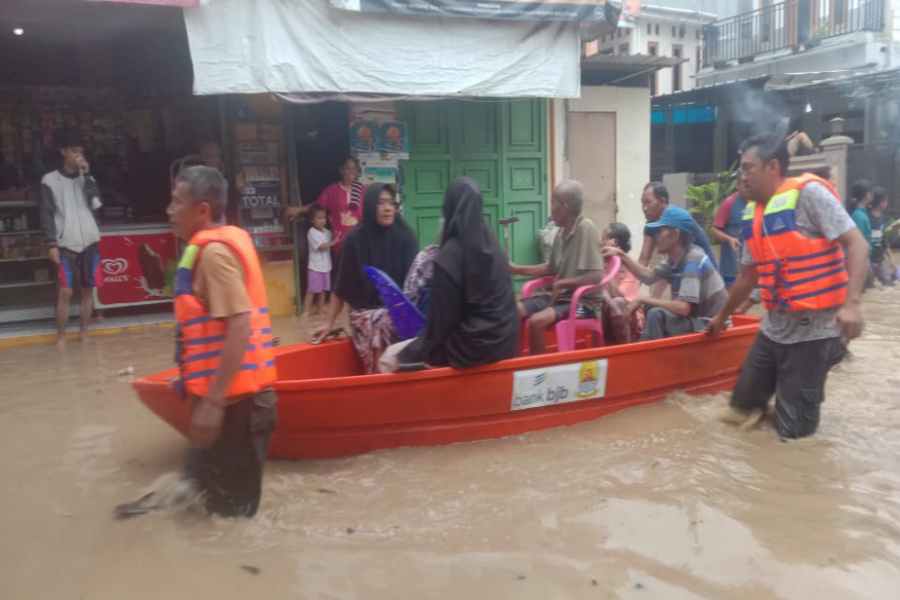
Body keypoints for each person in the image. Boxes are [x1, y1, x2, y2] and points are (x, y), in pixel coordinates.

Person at [115, 166, 278, 519]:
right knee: (195, 495)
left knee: (232, 519)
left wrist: (213, 404)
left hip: (239, 407)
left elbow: (240, 325)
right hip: (220, 401)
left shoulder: (215, 255)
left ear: (202, 210)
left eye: (176, 201)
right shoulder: (197, 252)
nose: (169, 210)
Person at [707, 134, 868, 440]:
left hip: (812, 336)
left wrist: (853, 304)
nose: (742, 176)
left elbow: (857, 243)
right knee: (737, 414)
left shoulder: (809, 196)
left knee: (793, 439)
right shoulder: (752, 216)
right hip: (773, 331)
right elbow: (746, 278)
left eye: (747, 168)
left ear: (773, 167)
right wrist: (721, 316)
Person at [378, 178, 519, 372]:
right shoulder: (494, 246)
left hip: (471, 348)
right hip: (506, 341)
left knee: (389, 358)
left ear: (449, 209)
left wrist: (412, 352)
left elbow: (441, 324)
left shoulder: (450, 255)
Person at [315, 184, 419, 373]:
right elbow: (341, 287)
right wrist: (329, 323)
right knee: (383, 323)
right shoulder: (355, 240)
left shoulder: (406, 237)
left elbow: (416, 284)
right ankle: (378, 381)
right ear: (370, 206)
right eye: (380, 203)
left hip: (401, 313)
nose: (388, 208)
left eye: (390, 202)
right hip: (365, 314)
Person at [510, 180, 606, 355]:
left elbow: (596, 276)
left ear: (565, 206)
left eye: (553, 202)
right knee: (513, 311)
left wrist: (563, 284)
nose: (550, 208)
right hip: (558, 297)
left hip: (583, 302)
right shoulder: (560, 233)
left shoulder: (586, 228)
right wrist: (516, 269)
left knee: (536, 322)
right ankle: (516, 364)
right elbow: (551, 268)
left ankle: (541, 375)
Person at [603, 210, 727, 341]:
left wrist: (642, 299)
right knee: (652, 308)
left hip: (711, 324)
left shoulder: (693, 260)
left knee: (656, 314)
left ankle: (647, 357)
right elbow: (648, 276)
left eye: (660, 231)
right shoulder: (673, 260)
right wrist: (620, 255)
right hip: (695, 320)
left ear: (675, 235)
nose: (656, 237)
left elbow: (684, 308)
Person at [40, 130, 103, 350]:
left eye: (81, 152)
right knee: (65, 291)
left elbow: (96, 204)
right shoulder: (49, 180)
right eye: (75, 151)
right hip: (65, 243)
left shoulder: (88, 179)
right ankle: (61, 336)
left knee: (88, 290)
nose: (79, 156)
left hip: (90, 242)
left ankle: (84, 333)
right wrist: (51, 243)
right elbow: (46, 213)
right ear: (63, 152)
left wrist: (86, 176)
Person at [285, 156, 364, 259]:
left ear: (358, 172)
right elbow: (317, 205)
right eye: (347, 168)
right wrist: (299, 210)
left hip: (358, 244)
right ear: (341, 170)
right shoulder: (332, 190)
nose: (350, 171)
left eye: (354, 169)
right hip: (339, 244)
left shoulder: (363, 190)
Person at [637, 182, 717, 270]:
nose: (644, 208)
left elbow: (684, 255)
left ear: (662, 201)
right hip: (681, 269)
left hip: (700, 269)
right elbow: (644, 259)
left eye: (648, 202)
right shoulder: (651, 224)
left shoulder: (678, 218)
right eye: (642, 203)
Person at [599, 223, 645, 343]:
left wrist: (604, 273)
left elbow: (620, 298)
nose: (600, 242)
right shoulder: (602, 263)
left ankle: (626, 352)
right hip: (607, 314)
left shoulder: (629, 266)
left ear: (613, 242)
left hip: (628, 318)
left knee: (617, 302)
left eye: (603, 238)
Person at [711, 179, 749, 287]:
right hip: (731, 266)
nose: (748, 186)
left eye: (749, 183)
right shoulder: (729, 203)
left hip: (750, 265)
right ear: (737, 185)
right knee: (731, 299)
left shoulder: (757, 201)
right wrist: (729, 239)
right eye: (744, 183)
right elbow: (714, 230)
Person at [306, 204, 339, 314]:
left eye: (324, 218)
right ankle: (306, 311)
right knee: (312, 290)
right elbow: (321, 246)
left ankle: (320, 310)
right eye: (319, 218)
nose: (322, 220)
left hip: (326, 267)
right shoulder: (311, 232)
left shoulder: (327, 232)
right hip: (315, 267)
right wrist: (333, 242)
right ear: (312, 220)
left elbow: (334, 235)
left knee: (323, 291)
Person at [868, 186, 894, 287]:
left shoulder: (882, 218)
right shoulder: (868, 218)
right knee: (870, 285)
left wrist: (891, 259)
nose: (887, 203)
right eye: (886, 200)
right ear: (881, 203)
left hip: (880, 259)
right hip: (870, 260)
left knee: (889, 283)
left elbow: (884, 240)